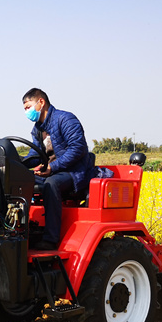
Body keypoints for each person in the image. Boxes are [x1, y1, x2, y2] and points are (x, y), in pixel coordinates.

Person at [22, 88, 96, 250]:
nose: (26, 112)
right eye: (25, 109)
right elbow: (35, 154)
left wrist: (52, 167)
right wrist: (18, 163)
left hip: (75, 172)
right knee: (20, 180)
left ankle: (50, 239)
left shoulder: (65, 119)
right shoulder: (38, 128)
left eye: (28, 107)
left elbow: (77, 148)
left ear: (41, 102)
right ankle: (21, 233)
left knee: (51, 184)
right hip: (52, 171)